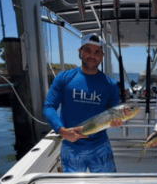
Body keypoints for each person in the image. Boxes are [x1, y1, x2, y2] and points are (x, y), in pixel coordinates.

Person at [43, 33, 125, 173]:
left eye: (97, 52)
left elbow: (113, 112)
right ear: (80, 52)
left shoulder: (110, 84)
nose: (92, 56)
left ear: (102, 56)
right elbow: (49, 107)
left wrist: (118, 122)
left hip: (100, 145)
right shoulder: (63, 78)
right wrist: (61, 130)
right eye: (87, 50)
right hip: (70, 145)